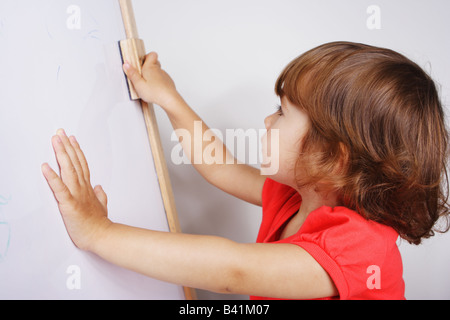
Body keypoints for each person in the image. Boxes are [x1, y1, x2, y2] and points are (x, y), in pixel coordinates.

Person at [41, 41, 449, 300]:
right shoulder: (301, 193)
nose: (268, 122)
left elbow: (231, 270)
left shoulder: (359, 250)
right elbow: (221, 168)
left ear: (333, 158)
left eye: (282, 113)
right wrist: (170, 99)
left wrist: (99, 232)